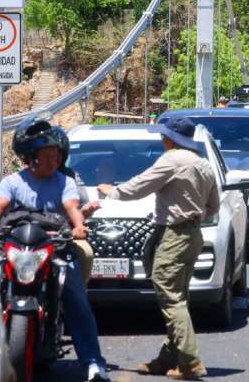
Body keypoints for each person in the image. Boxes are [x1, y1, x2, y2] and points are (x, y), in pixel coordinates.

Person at [0, 118, 109, 382]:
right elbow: (0, 204)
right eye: (48, 155)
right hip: (18, 245)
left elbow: (72, 207)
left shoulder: (64, 182)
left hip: (55, 246)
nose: (55, 160)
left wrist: (78, 227)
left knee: (77, 299)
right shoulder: (14, 181)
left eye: (57, 155)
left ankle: (94, 364)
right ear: (31, 158)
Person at [97, 116, 219, 381]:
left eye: (163, 136)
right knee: (179, 296)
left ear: (170, 139)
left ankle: (190, 362)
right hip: (193, 233)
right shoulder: (204, 165)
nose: (162, 140)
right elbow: (213, 208)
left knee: (170, 297)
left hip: (174, 235)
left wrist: (112, 191)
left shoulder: (171, 160)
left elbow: (140, 186)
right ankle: (169, 357)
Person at [51, 125, 100, 286]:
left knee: (85, 252)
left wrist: (82, 217)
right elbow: (4, 206)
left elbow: (77, 206)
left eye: (55, 154)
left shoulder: (70, 178)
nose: (50, 158)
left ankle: (80, 292)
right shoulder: (17, 179)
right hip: (25, 238)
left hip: (61, 236)